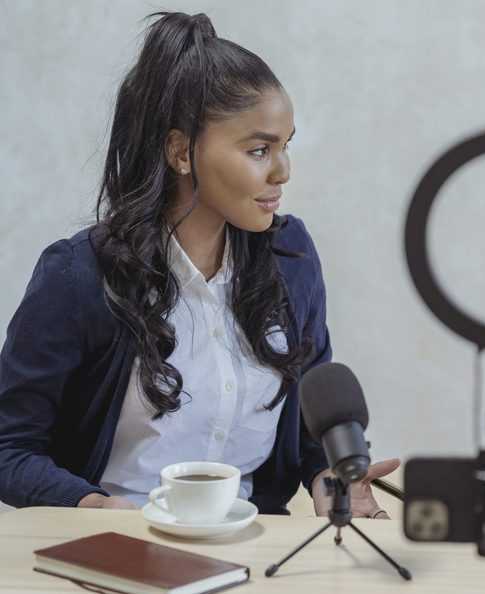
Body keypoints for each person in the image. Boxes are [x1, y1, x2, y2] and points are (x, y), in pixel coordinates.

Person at [0, 12, 397, 518]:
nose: (283, 171)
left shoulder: (290, 259)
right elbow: (9, 448)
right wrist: (90, 504)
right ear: (180, 152)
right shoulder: (79, 276)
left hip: (252, 547)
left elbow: (308, 422)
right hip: (117, 547)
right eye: (259, 149)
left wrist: (328, 479)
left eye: (285, 145)